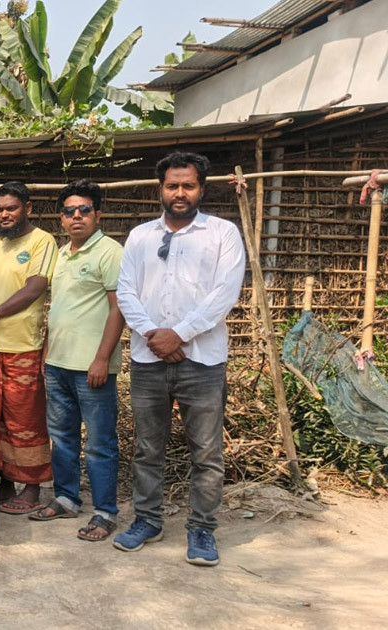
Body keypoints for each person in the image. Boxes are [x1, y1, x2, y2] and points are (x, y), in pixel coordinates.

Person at [113, 152, 245, 567]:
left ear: (201, 189)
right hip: (150, 359)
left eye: (188, 185)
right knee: (147, 448)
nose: (180, 193)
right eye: (173, 185)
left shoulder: (223, 234)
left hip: (202, 362)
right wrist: (155, 335)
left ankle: (202, 529)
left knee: (205, 452)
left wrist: (179, 335)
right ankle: (147, 521)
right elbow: (125, 292)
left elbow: (224, 294)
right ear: (161, 190)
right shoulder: (140, 237)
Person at [29, 180, 124, 542]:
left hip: (92, 368)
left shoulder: (109, 252)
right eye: (69, 211)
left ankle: (105, 512)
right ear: (61, 218)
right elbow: (60, 310)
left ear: (98, 214)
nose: (77, 217)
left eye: (84, 210)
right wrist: (46, 354)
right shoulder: (61, 252)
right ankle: (67, 498)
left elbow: (119, 309)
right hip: (58, 364)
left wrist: (102, 359)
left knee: (99, 443)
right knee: (62, 437)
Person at [0, 181, 57, 515]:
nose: (4, 214)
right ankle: (2, 480)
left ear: (28, 208)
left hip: (23, 345)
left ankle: (32, 487)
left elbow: (35, 287)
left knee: (26, 419)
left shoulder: (43, 241)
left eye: (11, 208)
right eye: (0, 209)